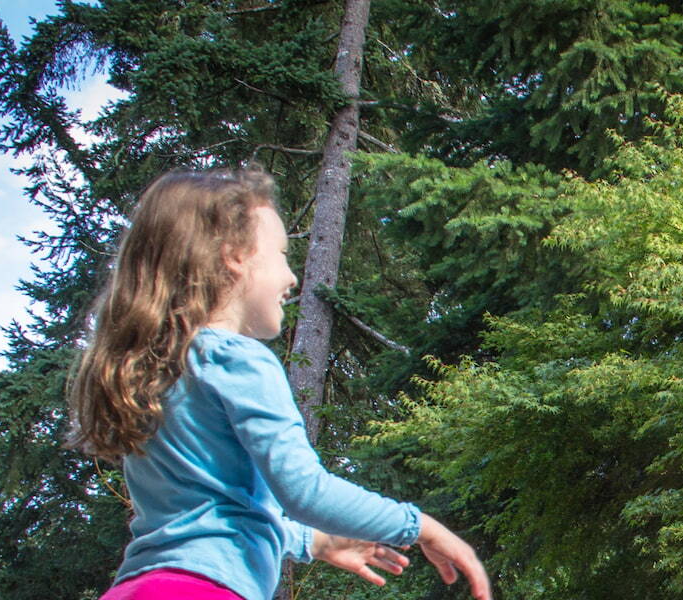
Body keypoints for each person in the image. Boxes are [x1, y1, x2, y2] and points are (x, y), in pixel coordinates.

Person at [66, 167, 492, 600]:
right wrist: (420, 525)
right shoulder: (237, 358)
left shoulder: (162, 369)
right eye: (283, 254)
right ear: (234, 254)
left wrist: (316, 542)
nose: (292, 277)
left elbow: (212, 517)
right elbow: (305, 491)